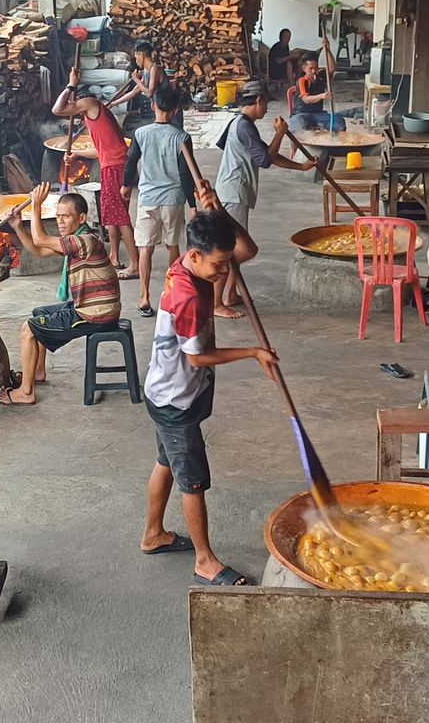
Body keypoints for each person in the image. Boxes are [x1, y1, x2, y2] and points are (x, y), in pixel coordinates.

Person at [140, 184, 278, 587]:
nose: (225, 272)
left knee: (167, 462)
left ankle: (153, 535)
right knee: (193, 481)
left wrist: (217, 212)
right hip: (175, 399)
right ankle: (205, 561)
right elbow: (197, 358)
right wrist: (253, 352)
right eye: (219, 265)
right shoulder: (186, 296)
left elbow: (245, 252)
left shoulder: (192, 259)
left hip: (166, 391)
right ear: (196, 255)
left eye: (225, 265)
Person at [0, 182, 120, 406]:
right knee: (40, 313)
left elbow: (40, 240)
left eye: (66, 216)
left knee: (28, 328)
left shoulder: (84, 241)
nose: (60, 221)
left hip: (95, 314)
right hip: (90, 307)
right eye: (58, 216)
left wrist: (36, 206)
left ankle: (26, 392)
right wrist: (18, 227)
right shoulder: (76, 240)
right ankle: (37, 372)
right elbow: (38, 250)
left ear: (82, 218)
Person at [211, 81, 315, 319]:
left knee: (233, 248)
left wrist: (300, 167)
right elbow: (265, 160)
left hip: (233, 190)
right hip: (233, 193)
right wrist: (280, 134)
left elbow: (265, 154)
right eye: (266, 103)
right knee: (229, 249)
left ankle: (230, 294)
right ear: (258, 100)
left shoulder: (238, 123)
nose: (267, 109)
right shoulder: (245, 127)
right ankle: (217, 302)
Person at [122, 83, 207, 318]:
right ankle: (171, 294)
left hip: (148, 198)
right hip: (173, 199)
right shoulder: (181, 137)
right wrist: (192, 204)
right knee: (173, 246)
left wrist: (125, 186)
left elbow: (131, 163)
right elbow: (185, 174)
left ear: (152, 106)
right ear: (176, 110)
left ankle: (144, 298)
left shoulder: (140, 134)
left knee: (145, 249)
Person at [53, 66, 139, 279]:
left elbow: (57, 109)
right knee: (111, 215)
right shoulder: (93, 117)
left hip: (115, 166)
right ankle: (114, 257)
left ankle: (136, 264)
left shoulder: (90, 104)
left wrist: (70, 84)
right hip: (114, 164)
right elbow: (101, 150)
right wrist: (75, 156)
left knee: (120, 218)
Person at [290, 41, 364, 133]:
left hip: (318, 114)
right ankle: (294, 148)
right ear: (304, 68)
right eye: (311, 68)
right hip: (301, 114)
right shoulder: (302, 81)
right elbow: (306, 99)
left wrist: (328, 50)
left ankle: (335, 146)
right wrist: (322, 96)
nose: (314, 71)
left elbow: (332, 69)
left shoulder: (321, 76)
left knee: (339, 122)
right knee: (298, 128)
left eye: (316, 68)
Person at [112, 40, 185, 132]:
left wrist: (136, 80)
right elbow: (135, 91)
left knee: (175, 136)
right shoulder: (146, 71)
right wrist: (114, 103)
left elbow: (149, 93)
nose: (136, 61)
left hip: (171, 110)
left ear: (141, 55)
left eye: (136, 57)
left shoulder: (155, 69)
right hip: (161, 110)